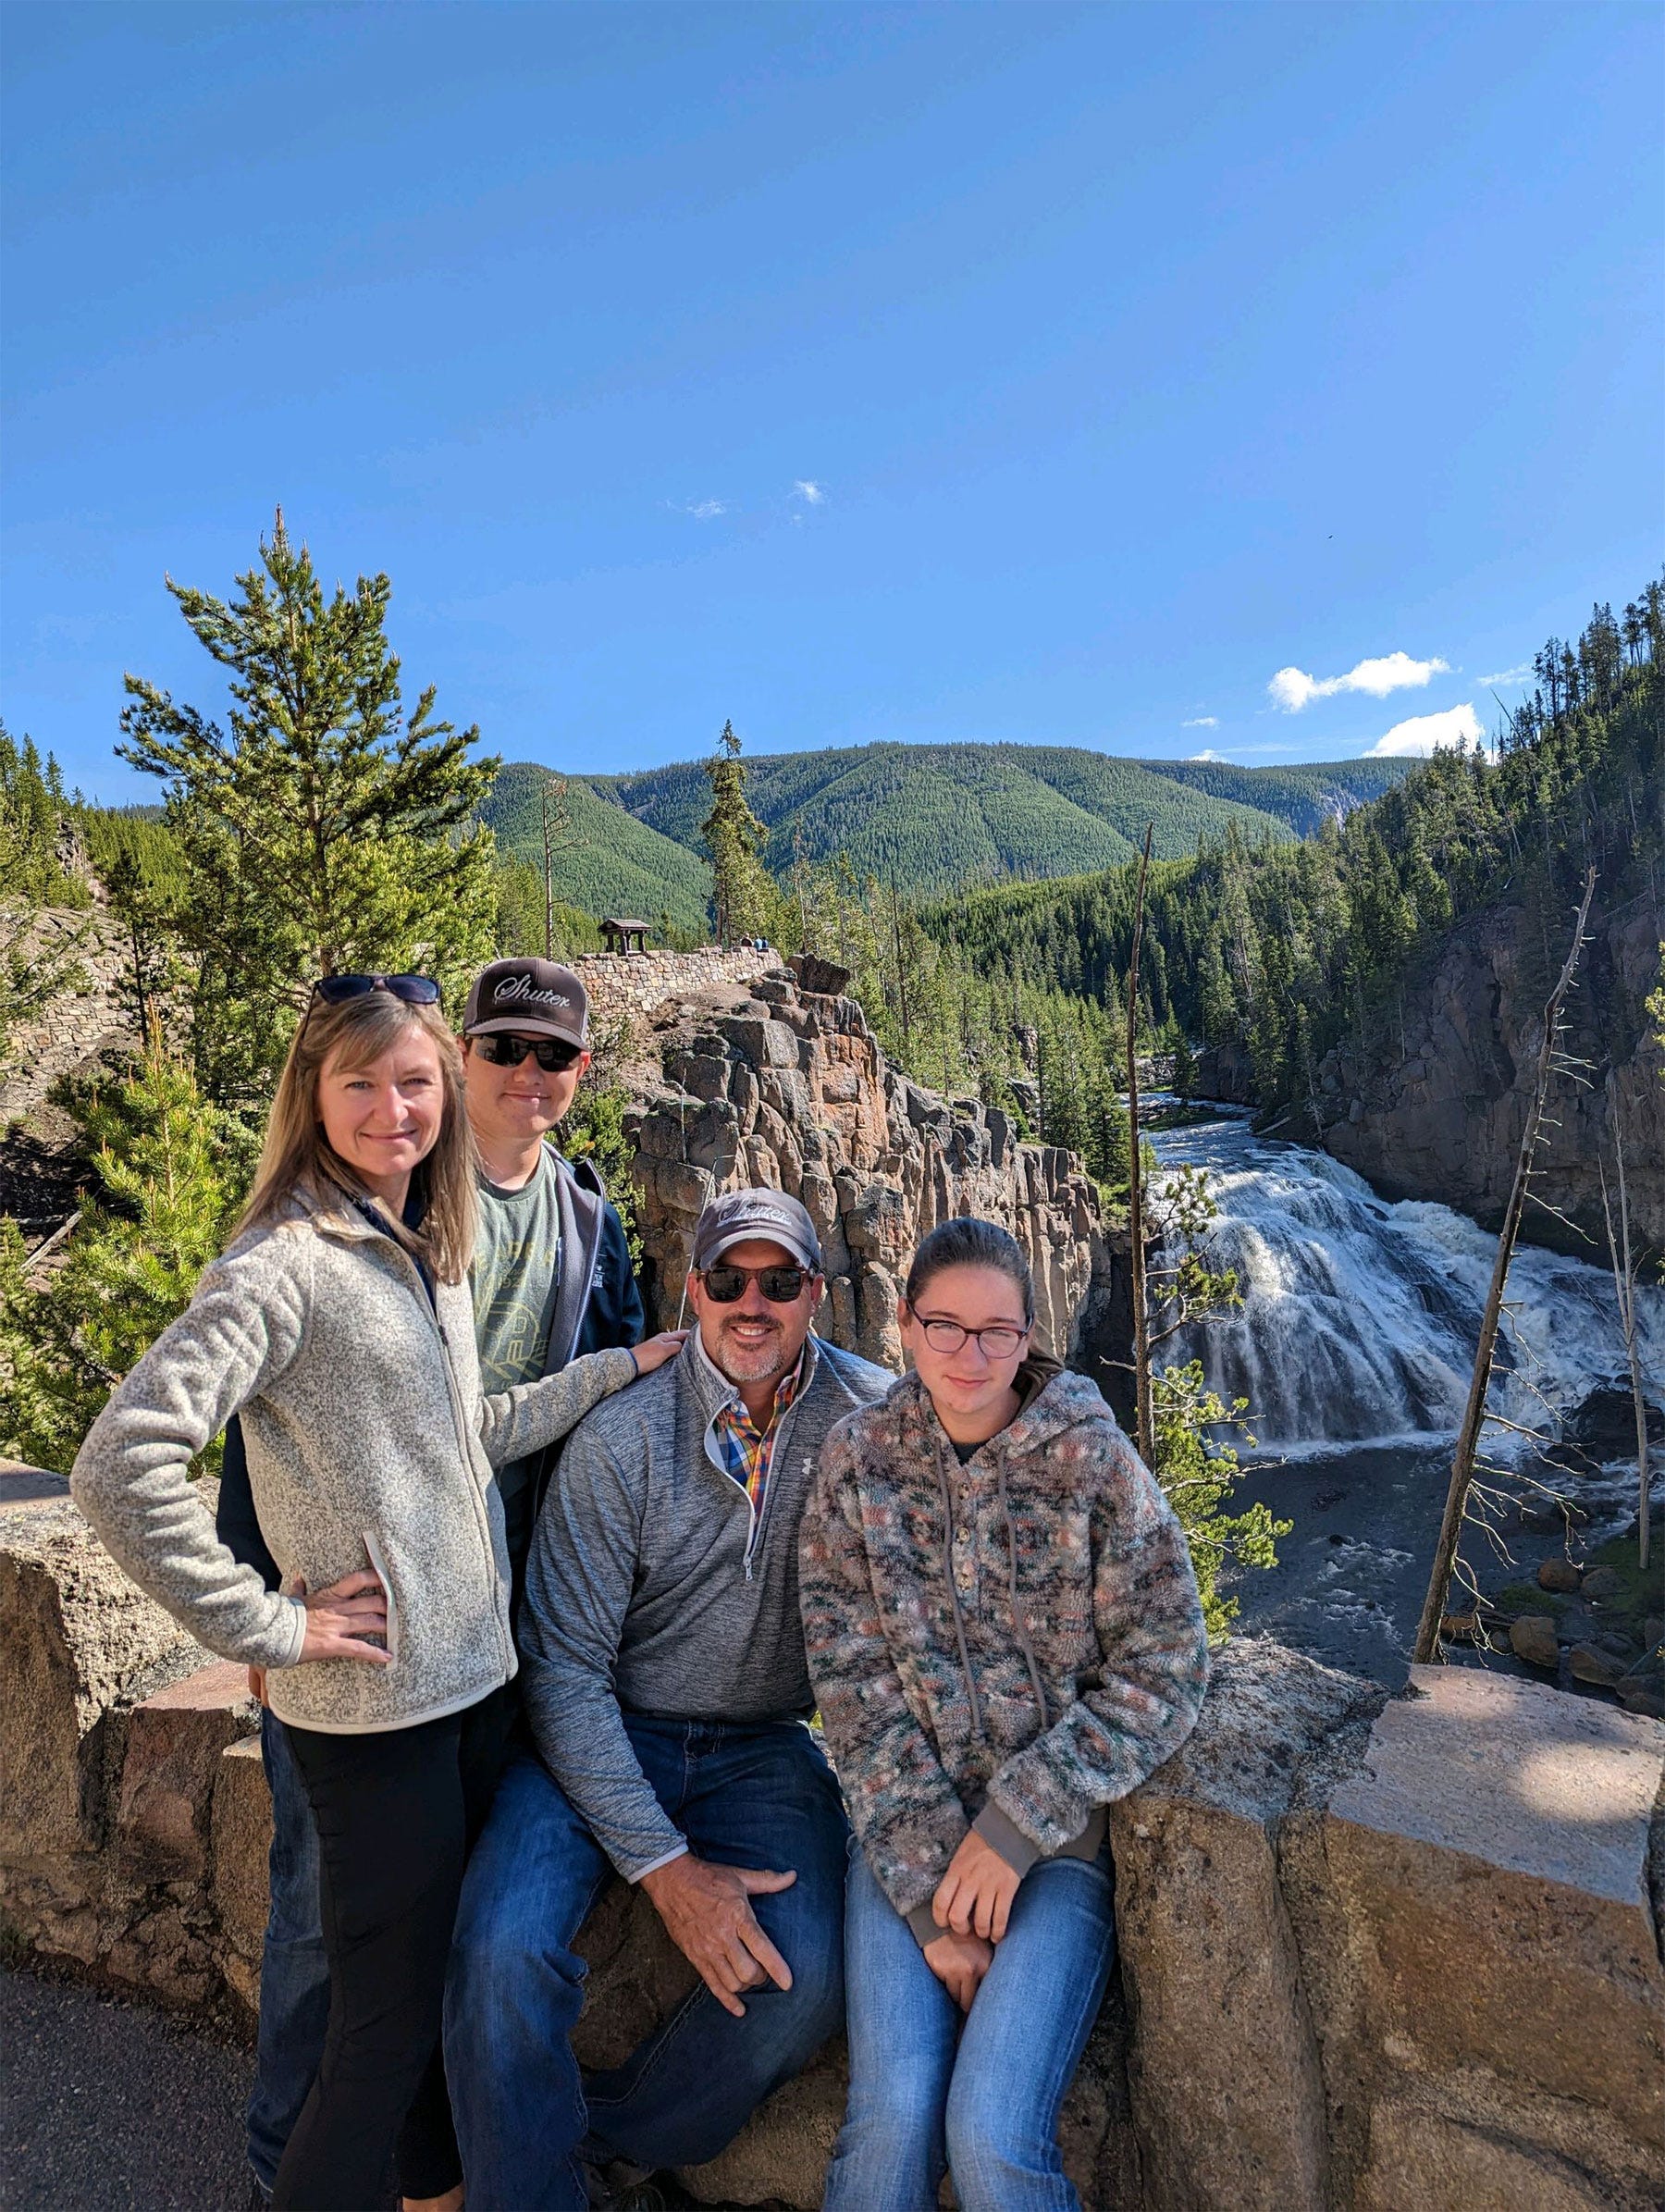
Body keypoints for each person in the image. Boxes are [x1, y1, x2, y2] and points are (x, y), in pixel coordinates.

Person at [70, 975, 683, 2212]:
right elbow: (116, 1463)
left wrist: (624, 1364)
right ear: (313, 1094)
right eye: (362, 1081)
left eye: (412, 1083)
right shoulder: (285, 1261)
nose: (394, 1108)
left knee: (410, 2023)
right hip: (372, 1716)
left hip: (464, 1690)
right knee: (379, 2038)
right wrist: (271, 1624)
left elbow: (469, 1428)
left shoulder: (420, 1240)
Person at [216, 956, 647, 2200]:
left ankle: (420, 2175)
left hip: (484, 1622)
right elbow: (264, 1421)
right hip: (352, 1628)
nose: (528, 1072)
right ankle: (278, 2161)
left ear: (577, 1074)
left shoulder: (573, 1216)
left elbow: (533, 1409)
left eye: (553, 1054)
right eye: (503, 1047)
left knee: (416, 1938)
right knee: (317, 1917)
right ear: (462, 1058)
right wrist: (262, 1602)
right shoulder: (361, 1210)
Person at [445, 1189, 893, 2212]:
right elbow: (563, 1670)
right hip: (603, 1726)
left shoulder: (871, 1428)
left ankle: (595, 2146)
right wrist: (664, 1867)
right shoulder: (625, 1437)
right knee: (500, 1949)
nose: (752, 1304)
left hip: (764, 1746)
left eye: (779, 1282)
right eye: (727, 1280)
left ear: (815, 1295)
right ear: (691, 1290)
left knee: (805, 1980)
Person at [798, 1217, 1210, 2212]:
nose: (970, 1355)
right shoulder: (857, 1465)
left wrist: (1015, 1825)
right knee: (889, 2123)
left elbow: (1170, 1658)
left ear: (1029, 1335)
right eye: (946, 1326)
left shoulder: (1092, 1462)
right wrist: (932, 1890)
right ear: (904, 1327)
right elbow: (852, 1689)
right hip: (901, 1842)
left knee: (989, 2140)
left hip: (1059, 1853)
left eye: (997, 1331)